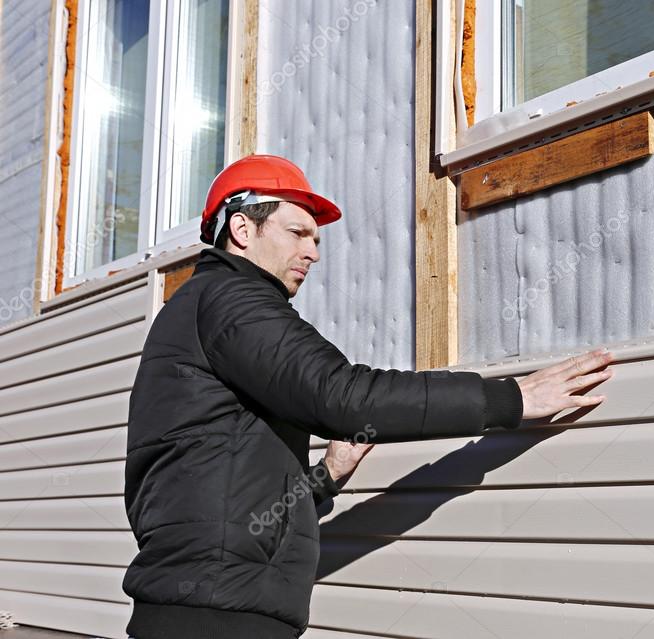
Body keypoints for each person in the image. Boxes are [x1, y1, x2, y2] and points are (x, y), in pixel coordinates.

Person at [122, 155, 615, 638]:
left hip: (201, 608)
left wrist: (326, 478)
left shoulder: (198, 309)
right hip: (215, 621)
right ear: (243, 230)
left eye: (316, 239)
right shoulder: (231, 300)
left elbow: (227, 496)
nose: (313, 252)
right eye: (297, 233)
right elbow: (344, 396)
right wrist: (513, 398)